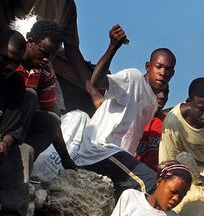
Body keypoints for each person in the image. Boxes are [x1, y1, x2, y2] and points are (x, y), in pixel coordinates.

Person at [59, 25, 176, 197]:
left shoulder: (152, 102)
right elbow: (96, 81)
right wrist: (113, 47)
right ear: (148, 66)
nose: (163, 73)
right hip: (101, 151)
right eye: (159, 67)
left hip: (118, 159)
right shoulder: (133, 79)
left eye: (168, 70)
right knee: (152, 184)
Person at [0, 0, 102, 109]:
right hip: (8, 60)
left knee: (52, 117)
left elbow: (72, 50)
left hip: (34, 70)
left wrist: (94, 93)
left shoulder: (68, 4)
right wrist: (7, 39)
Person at [14, 18, 75, 170]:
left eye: (52, 55)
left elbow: (51, 112)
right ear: (30, 40)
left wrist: (65, 159)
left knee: (52, 122)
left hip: (16, 126)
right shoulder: (10, 57)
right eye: (43, 52)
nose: (46, 59)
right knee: (29, 96)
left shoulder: (45, 73)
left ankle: (18, 163)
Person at [0, 28, 41, 216]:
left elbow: (13, 124)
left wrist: (5, 142)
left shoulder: (14, 83)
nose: (8, 66)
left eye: (14, 62)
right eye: (4, 58)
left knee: (22, 149)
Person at [135, 86, 169, 172]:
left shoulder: (168, 123)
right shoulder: (129, 118)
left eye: (166, 93)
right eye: (157, 91)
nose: (162, 96)